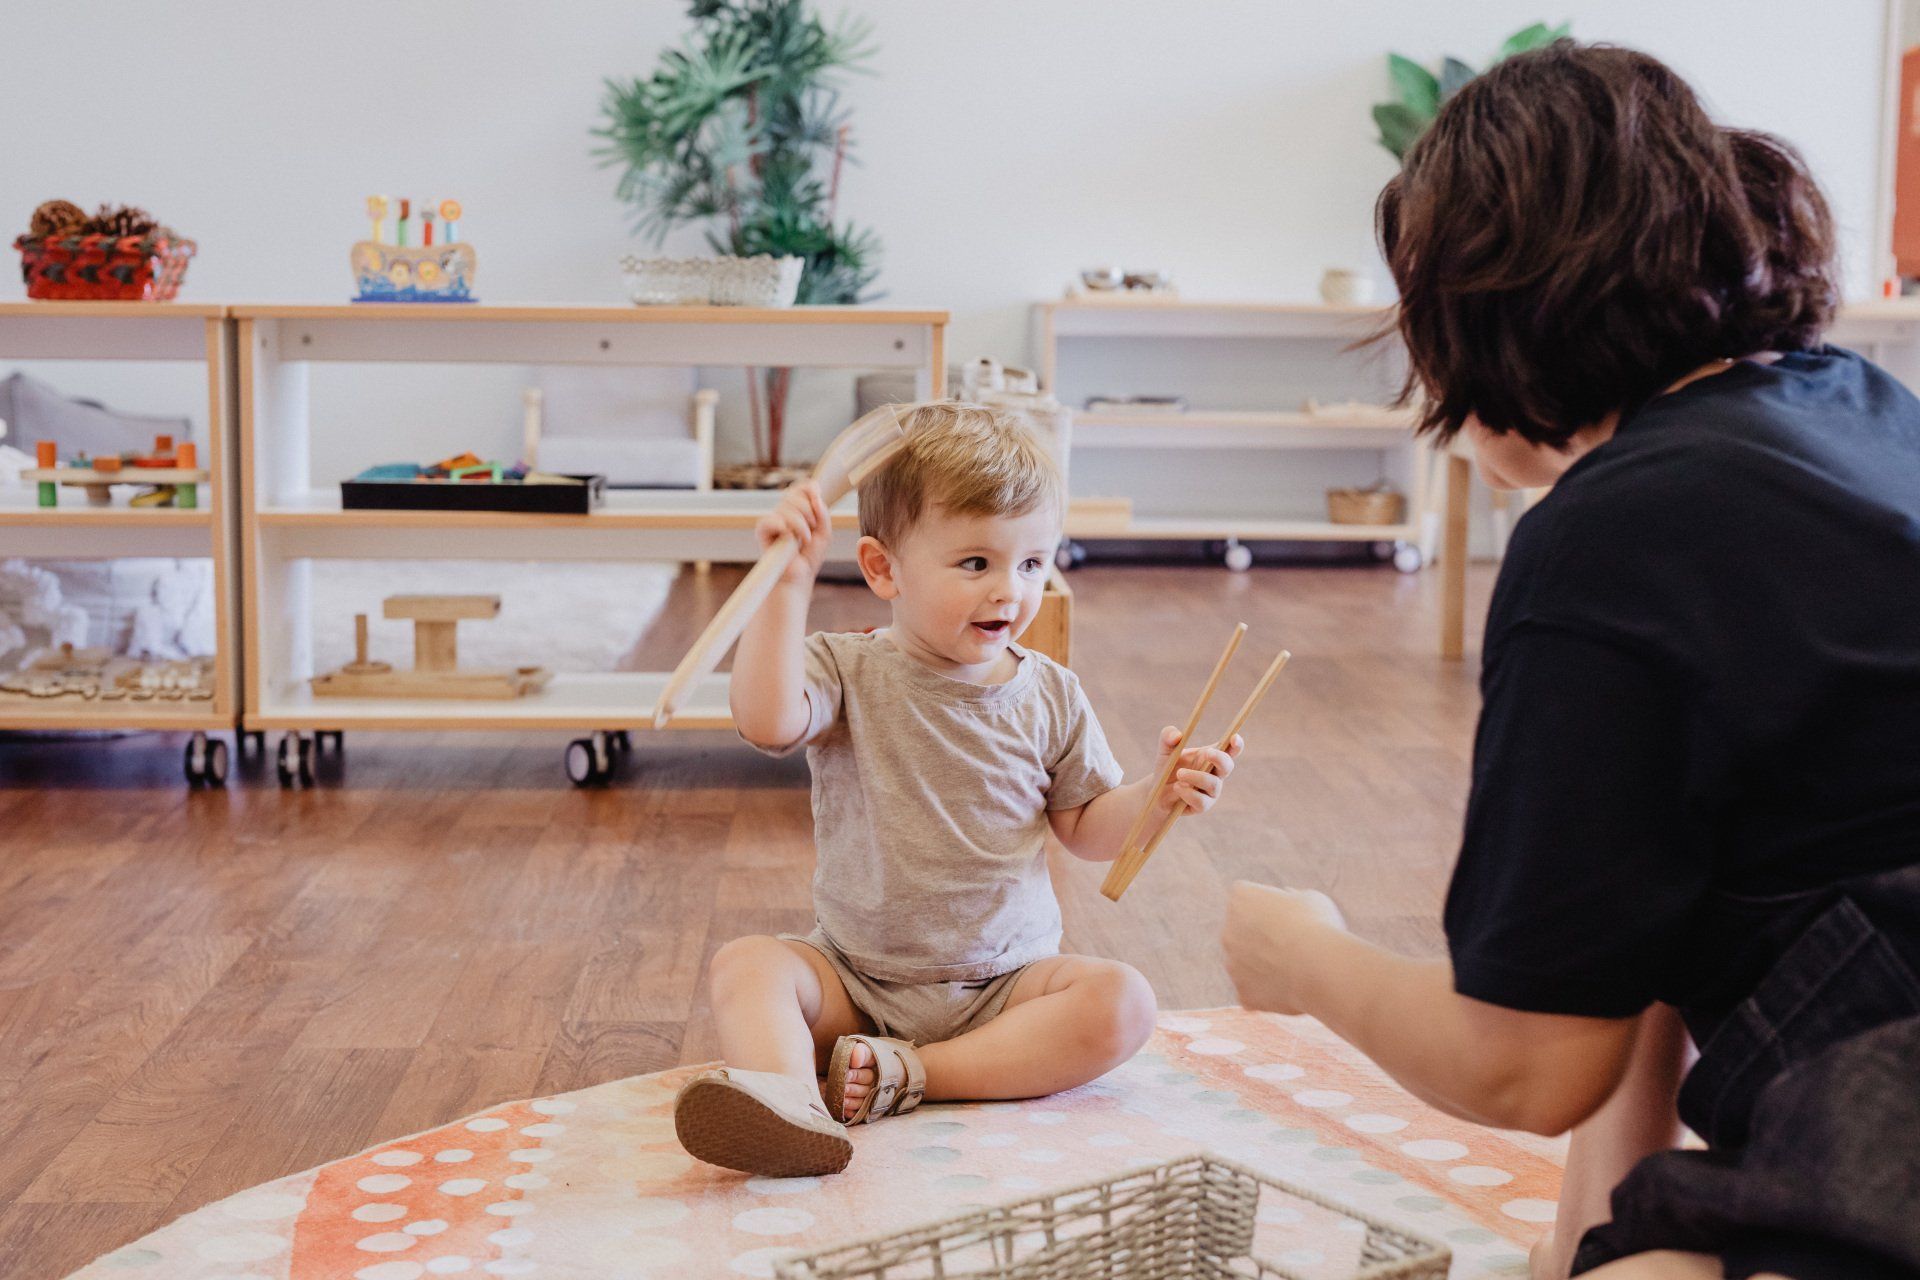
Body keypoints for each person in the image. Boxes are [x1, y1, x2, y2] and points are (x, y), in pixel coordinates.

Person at [1222, 42, 1920, 1280]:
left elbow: (1524, 1063)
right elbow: (1617, 962)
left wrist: (1305, 959)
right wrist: (1575, 1248)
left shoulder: (1612, 536)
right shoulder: (1857, 407)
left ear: (1490, 306)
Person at [675, 401, 1243, 1177]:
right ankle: (790, 1112)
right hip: (855, 976)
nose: (1009, 591)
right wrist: (787, 585)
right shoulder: (847, 668)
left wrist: (1159, 795)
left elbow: (1084, 828)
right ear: (882, 569)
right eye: (976, 564)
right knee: (748, 965)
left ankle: (918, 1073)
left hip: (1004, 985)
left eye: (1033, 563)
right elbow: (768, 721)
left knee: (1124, 1002)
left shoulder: (1051, 694)